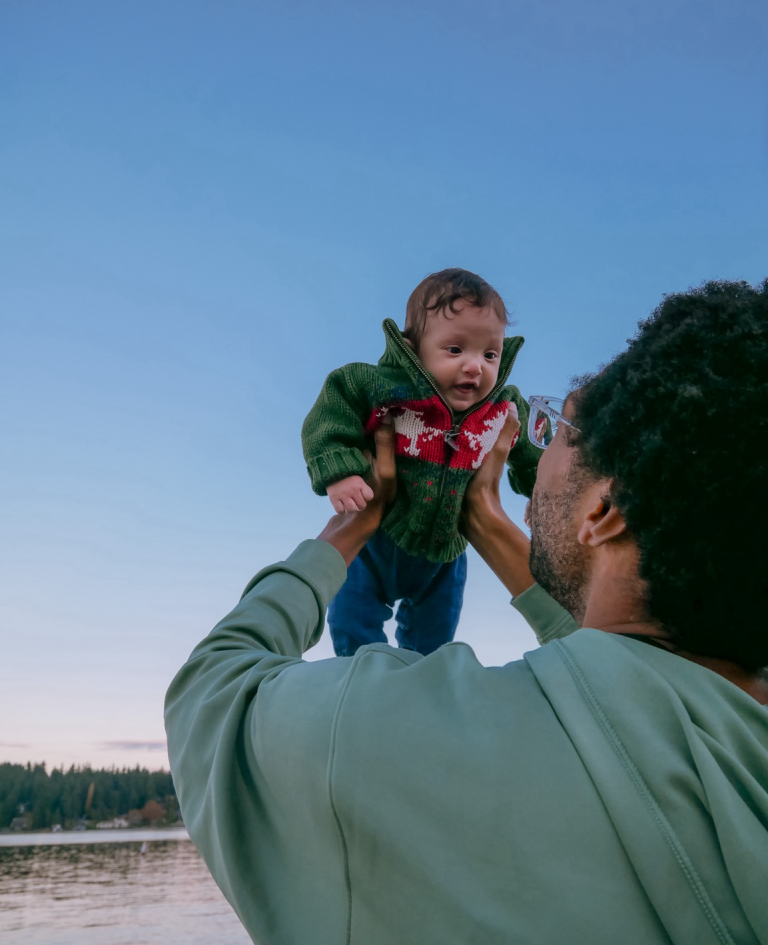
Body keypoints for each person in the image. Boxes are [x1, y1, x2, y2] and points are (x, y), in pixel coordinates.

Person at [165, 280, 768, 945]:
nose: (532, 462)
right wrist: (485, 520)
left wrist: (346, 533)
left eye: (558, 429)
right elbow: (631, 692)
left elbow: (210, 691)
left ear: (601, 511)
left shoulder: (379, 728)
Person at [301, 268, 540, 656]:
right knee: (351, 617)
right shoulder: (387, 387)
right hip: (377, 535)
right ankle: (362, 680)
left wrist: (538, 491)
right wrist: (339, 471)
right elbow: (335, 405)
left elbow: (531, 447)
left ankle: (417, 684)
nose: (475, 366)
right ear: (414, 350)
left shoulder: (502, 408)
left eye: (489, 354)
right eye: (455, 350)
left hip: (445, 552)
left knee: (434, 637)